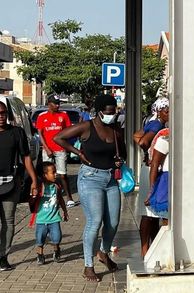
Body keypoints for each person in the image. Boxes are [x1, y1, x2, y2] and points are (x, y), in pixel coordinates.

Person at [54, 94, 126, 282]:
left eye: (115, 112)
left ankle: (103, 253)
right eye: (109, 112)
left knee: (113, 223)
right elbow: (58, 137)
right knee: (95, 221)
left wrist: (119, 161)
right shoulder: (87, 127)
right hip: (90, 178)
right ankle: (88, 266)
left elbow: (123, 152)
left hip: (110, 179)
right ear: (100, 112)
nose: (113, 115)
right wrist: (78, 153)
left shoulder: (116, 129)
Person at [0, 101, 38, 271]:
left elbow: (26, 157)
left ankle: (3, 256)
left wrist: (34, 180)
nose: (0, 117)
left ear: (7, 115)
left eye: (2, 113)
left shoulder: (17, 132)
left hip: (11, 183)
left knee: (8, 221)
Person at [134, 97, 169, 257]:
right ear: (160, 112)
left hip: (149, 168)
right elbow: (142, 141)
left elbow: (136, 135)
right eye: (166, 111)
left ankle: (150, 247)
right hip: (152, 170)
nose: (169, 114)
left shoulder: (152, 122)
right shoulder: (157, 124)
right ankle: (145, 250)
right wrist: (149, 149)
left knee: (152, 214)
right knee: (148, 214)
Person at [35, 94, 75, 207]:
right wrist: (46, 148)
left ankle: (69, 198)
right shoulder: (42, 116)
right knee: (47, 174)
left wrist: (67, 146)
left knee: (62, 174)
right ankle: (48, 196)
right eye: (55, 103)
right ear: (49, 104)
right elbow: (40, 134)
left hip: (60, 149)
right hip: (47, 149)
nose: (57, 105)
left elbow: (68, 131)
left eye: (58, 103)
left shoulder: (64, 115)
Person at [32, 162, 68, 265]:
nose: (55, 174)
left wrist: (65, 211)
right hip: (41, 220)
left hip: (54, 219)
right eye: (53, 172)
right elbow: (32, 199)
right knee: (40, 239)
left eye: (56, 172)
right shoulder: (40, 187)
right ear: (45, 175)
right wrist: (34, 194)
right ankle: (40, 254)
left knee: (57, 238)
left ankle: (56, 250)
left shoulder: (56, 186)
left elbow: (60, 199)